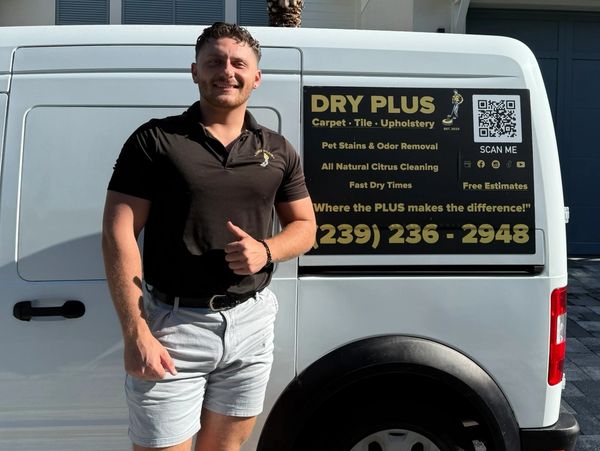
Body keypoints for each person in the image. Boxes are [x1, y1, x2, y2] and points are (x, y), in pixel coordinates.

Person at [102, 22, 316, 451]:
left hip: (251, 321)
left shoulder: (277, 149)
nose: (227, 71)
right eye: (214, 61)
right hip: (172, 324)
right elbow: (117, 232)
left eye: (239, 63)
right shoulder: (155, 140)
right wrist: (135, 331)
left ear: (256, 77)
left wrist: (266, 250)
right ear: (195, 71)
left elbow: (305, 227)